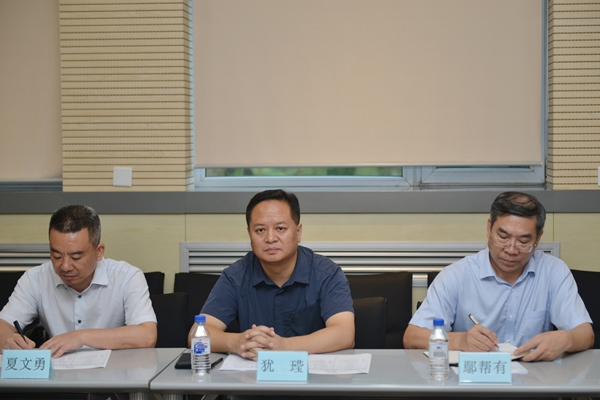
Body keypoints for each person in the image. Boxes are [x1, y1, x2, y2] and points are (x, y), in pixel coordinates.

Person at [404, 191, 594, 362]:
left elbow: (586, 334)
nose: (511, 249)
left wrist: (566, 339)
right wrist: (460, 340)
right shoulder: (457, 275)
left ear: (538, 239)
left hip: (534, 380)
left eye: (523, 241)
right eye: (503, 237)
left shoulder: (553, 271)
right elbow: (411, 337)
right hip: (473, 380)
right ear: (489, 228)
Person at [192, 189, 355, 360]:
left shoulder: (327, 274)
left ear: (298, 232)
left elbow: (344, 333)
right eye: (260, 230)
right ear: (249, 234)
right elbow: (197, 334)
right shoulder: (236, 277)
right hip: (254, 374)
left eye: (280, 228)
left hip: (312, 373)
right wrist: (237, 342)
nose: (270, 238)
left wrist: (283, 347)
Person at [0, 204, 157, 357]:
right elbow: (4, 325)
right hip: (58, 371)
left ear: (99, 252)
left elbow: (147, 336)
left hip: (115, 371)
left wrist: (81, 337)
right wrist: (10, 342)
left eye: (76, 257)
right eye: (56, 256)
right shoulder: (35, 279)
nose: (65, 266)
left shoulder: (127, 277)